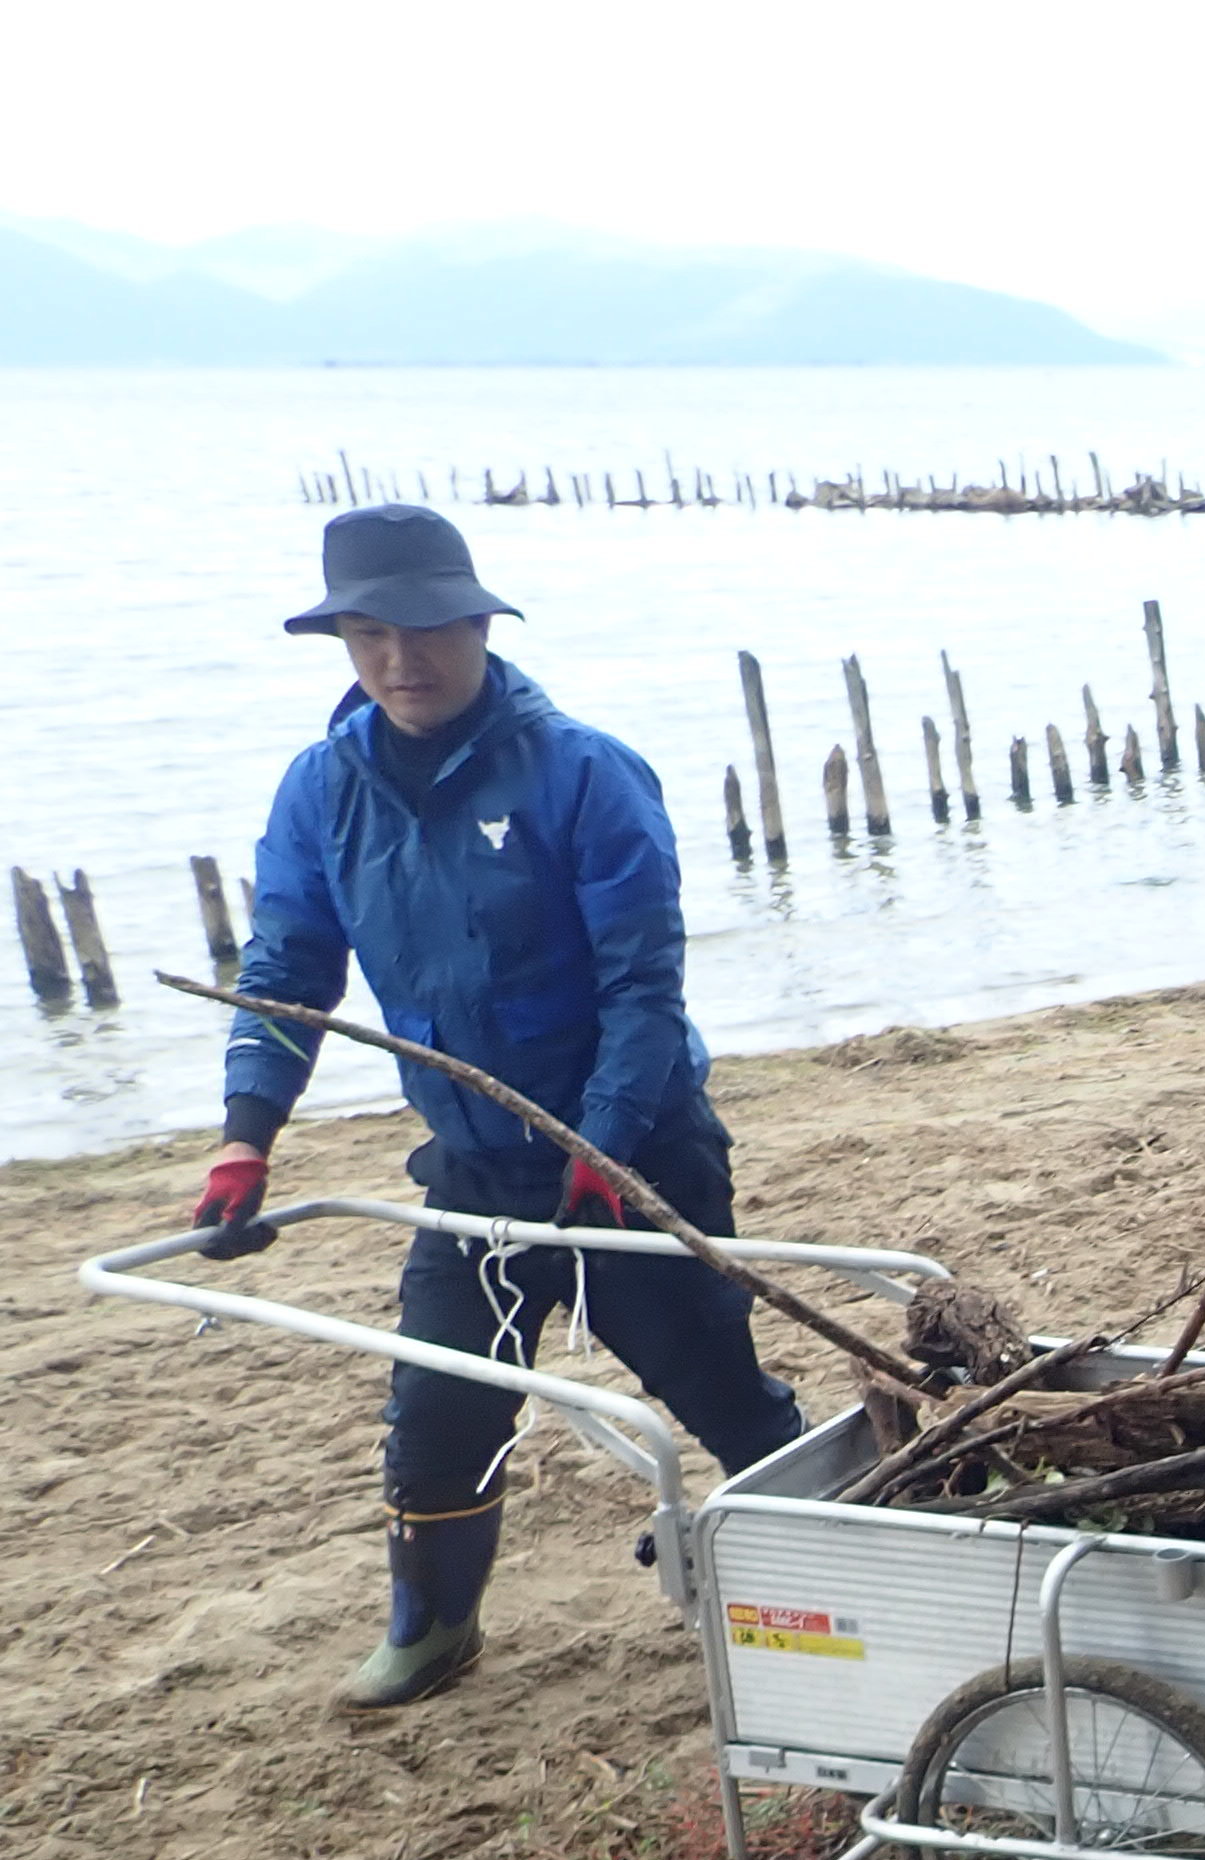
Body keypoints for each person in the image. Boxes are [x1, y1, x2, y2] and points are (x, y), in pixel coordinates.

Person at [196, 503, 801, 1711]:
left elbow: (642, 984)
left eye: (424, 630)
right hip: (472, 1169)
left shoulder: (583, 771)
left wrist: (603, 1145)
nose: (399, 661)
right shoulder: (322, 790)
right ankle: (433, 1628)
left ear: (478, 623)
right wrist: (243, 1140)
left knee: (715, 1384)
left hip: (635, 1153)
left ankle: (840, 1552)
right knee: (438, 1408)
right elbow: (286, 973)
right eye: (367, 636)